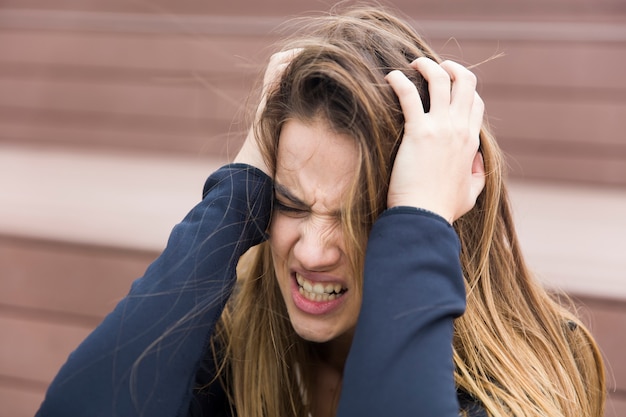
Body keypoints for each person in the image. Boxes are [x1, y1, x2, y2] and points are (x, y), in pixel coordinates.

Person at [36, 5, 605, 417]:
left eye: (359, 218)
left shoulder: (529, 386)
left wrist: (419, 223)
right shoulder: (231, 347)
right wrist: (235, 195)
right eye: (288, 202)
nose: (311, 251)